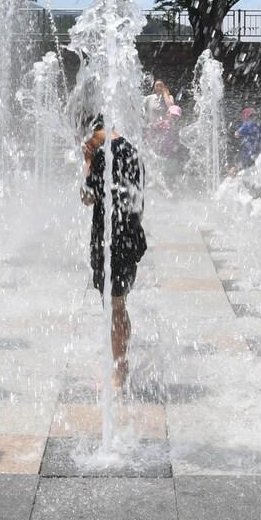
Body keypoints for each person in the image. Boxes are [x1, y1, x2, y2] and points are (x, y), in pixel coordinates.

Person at [80, 116, 147, 389]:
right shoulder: (133, 152)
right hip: (129, 236)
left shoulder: (100, 155)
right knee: (119, 305)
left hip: (109, 239)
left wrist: (87, 162)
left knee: (114, 308)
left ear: (96, 132)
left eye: (86, 138)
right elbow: (140, 197)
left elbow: (87, 197)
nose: (84, 144)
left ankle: (120, 372)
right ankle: (121, 364)